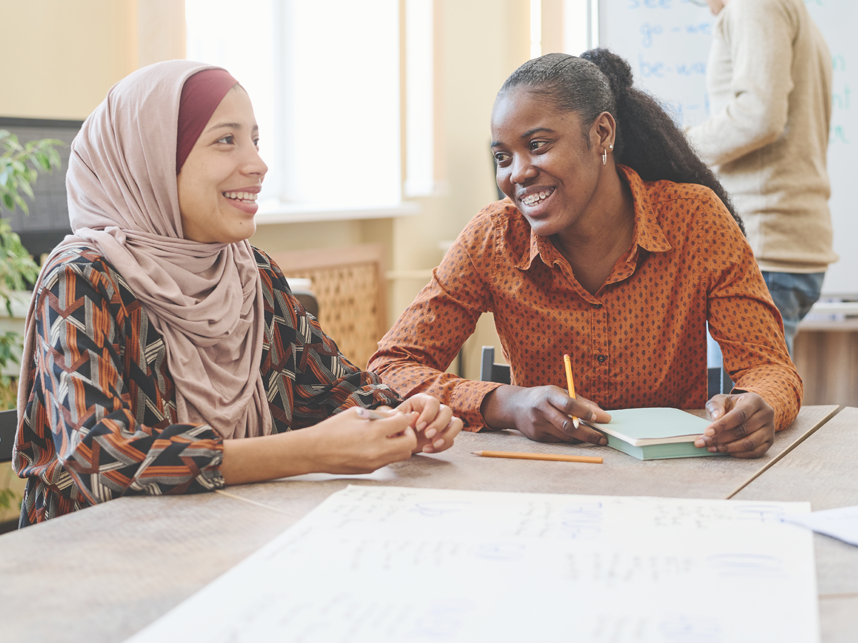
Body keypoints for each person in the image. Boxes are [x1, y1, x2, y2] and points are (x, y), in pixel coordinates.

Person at [12, 60, 462, 527]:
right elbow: (99, 456)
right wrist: (305, 453)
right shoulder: (83, 277)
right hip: (94, 562)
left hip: (234, 539)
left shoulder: (252, 271)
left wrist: (404, 416)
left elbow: (336, 392)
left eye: (255, 140)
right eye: (226, 140)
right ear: (154, 159)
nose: (258, 164)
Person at [369, 50, 802, 459]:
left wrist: (759, 403)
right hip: (548, 479)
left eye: (537, 145)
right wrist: (506, 403)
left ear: (602, 134)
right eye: (503, 157)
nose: (517, 173)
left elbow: (769, 367)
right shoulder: (493, 237)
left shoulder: (695, 219)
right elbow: (390, 368)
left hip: (673, 474)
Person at [688, 0, 835, 356]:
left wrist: (677, 148)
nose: (708, 10)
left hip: (764, 248)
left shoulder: (755, 5)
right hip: (779, 247)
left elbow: (758, 117)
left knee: (745, 406)